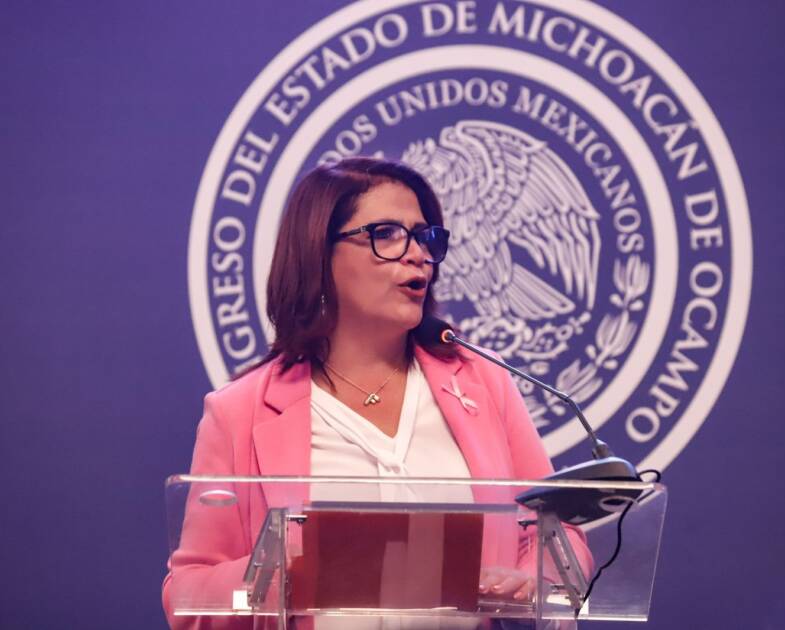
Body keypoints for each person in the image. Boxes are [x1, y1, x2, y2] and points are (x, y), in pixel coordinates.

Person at [162, 157, 593, 629]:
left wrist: (535, 583)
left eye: (424, 237)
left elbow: (556, 533)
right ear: (318, 253)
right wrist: (288, 569)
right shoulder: (239, 412)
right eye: (386, 234)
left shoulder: (483, 381)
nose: (417, 254)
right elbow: (188, 599)